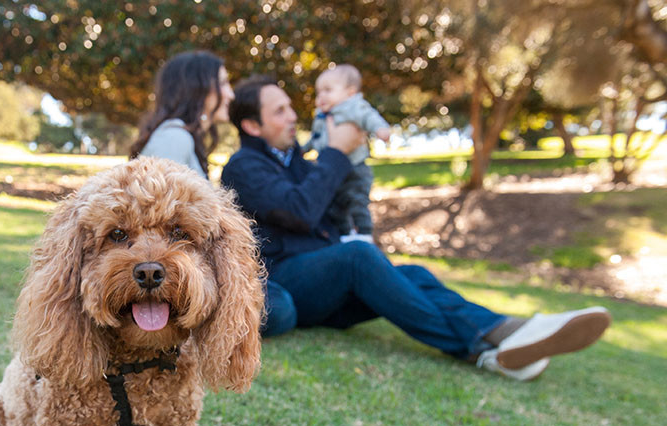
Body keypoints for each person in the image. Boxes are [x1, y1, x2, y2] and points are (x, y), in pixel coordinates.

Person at [220, 75, 611, 380]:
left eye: (290, 108)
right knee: (358, 256)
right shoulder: (243, 166)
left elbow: (334, 205)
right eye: (280, 111)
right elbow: (301, 211)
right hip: (287, 281)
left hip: (325, 280)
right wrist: (335, 152)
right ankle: (477, 344)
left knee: (413, 273)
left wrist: (347, 154)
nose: (292, 116)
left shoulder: (295, 159)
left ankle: (506, 333)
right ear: (252, 125)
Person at [129, 51, 296, 337]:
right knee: (279, 306)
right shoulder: (174, 137)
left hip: (180, 269)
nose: (230, 94)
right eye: (223, 83)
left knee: (278, 299)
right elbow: (147, 215)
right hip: (163, 269)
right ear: (198, 88)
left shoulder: (186, 138)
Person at [303, 64, 392, 243]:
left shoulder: (353, 106)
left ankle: (365, 233)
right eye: (319, 92)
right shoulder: (321, 115)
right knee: (336, 205)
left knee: (357, 201)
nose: (322, 96)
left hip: (355, 168)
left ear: (350, 92)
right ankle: (344, 235)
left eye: (328, 90)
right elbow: (315, 138)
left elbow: (369, 117)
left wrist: (381, 129)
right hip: (334, 170)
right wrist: (302, 150)